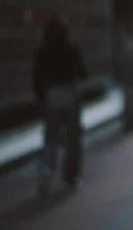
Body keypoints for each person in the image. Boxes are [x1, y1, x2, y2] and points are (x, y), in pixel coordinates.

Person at [33, 17, 87, 194]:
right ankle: (71, 177)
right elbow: (83, 73)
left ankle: (46, 174)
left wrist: (42, 98)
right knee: (73, 138)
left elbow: (36, 80)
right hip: (70, 94)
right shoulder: (72, 48)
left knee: (50, 138)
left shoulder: (42, 51)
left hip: (51, 95)